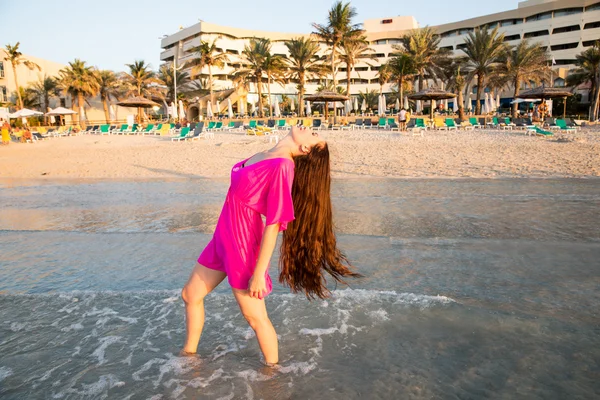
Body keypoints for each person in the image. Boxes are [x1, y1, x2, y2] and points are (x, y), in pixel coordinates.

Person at [181, 126, 360, 365]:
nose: (312, 130)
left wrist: (258, 273)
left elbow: (274, 223)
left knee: (256, 318)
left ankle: (273, 375)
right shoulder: (268, 153)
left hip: (242, 244)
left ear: (305, 148)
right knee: (190, 295)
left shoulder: (282, 167)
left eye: (315, 136)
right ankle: (188, 358)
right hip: (222, 238)